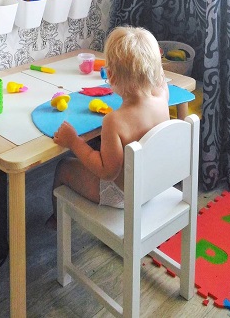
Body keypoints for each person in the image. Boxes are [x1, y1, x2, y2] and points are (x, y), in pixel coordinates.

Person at [46, 26, 170, 229]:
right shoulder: (162, 99)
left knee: (64, 167)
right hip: (153, 185)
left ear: (110, 76)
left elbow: (107, 172)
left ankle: (56, 221)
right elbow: (161, 82)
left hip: (121, 195)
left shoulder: (114, 121)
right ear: (156, 69)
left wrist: (74, 142)